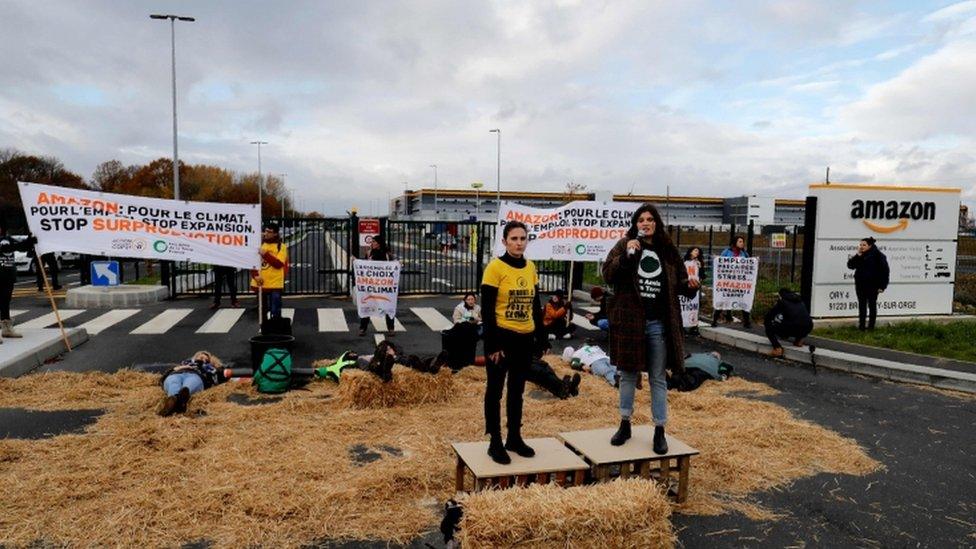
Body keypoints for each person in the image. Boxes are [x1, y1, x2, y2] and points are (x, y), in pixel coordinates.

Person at [602, 203, 700, 454]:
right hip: (630, 322)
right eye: (640, 220)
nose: (645, 223)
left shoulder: (667, 251)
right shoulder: (626, 244)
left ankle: (659, 430)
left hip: (658, 323)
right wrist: (626, 256)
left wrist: (691, 286)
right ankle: (625, 424)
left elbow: (679, 283)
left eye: (649, 219)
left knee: (657, 377)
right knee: (628, 374)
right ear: (635, 224)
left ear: (656, 223)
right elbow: (608, 273)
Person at [481, 220, 549, 464]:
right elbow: (487, 310)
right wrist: (492, 345)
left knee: (517, 391)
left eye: (522, 239)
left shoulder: (530, 267)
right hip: (502, 337)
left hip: (525, 338)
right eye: (514, 239)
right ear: (505, 241)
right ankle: (495, 440)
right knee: (495, 391)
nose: (519, 243)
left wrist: (541, 336)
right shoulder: (495, 268)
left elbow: (535, 303)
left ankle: (514, 437)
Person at [158, 351, 226, 416]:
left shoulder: (209, 367)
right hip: (177, 373)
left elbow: (216, 377)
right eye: (201, 357)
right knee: (172, 381)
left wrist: (215, 369)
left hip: (196, 375)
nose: (203, 359)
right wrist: (182, 367)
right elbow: (169, 372)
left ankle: (176, 402)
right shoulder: (184, 363)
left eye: (206, 359)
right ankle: (175, 400)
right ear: (195, 357)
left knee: (188, 385)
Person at [0, 220, 34, 342]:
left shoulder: (8, 239)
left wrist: (30, 240)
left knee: (5, 301)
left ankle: (6, 328)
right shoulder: (6, 243)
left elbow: (21, 247)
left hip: (8, 275)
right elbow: (6, 248)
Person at [847, 237, 890, 331]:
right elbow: (850, 266)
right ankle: (861, 326)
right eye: (860, 245)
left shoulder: (879, 256)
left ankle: (871, 327)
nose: (861, 247)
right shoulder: (860, 255)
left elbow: (885, 271)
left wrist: (882, 286)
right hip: (860, 284)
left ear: (870, 246)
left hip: (873, 285)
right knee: (862, 305)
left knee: (872, 305)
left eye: (864, 245)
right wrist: (857, 255)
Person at [358, 235, 398, 337]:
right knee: (368, 305)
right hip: (372, 285)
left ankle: (391, 328)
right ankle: (362, 328)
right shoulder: (369, 253)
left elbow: (394, 267)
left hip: (384, 287)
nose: (372, 243)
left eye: (374, 242)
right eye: (372, 242)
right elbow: (365, 266)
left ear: (379, 243)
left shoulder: (388, 255)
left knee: (388, 307)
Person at [712, 235, 751, 328]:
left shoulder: (744, 254)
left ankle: (747, 322)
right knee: (723, 299)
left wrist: (755, 261)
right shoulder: (726, 252)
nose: (742, 243)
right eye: (740, 241)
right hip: (727, 282)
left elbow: (749, 265)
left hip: (740, 282)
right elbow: (720, 263)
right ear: (735, 242)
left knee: (743, 300)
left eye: (742, 241)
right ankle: (714, 320)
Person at [251, 223, 288, 322]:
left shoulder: (281, 247)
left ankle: (276, 326)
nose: (266, 233)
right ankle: (264, 328)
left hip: (275, 282)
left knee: (275, 307)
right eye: (265, 231)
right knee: (262, 309)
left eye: (269, 232)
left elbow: (279, 264)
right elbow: (252, 263)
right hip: (261, 282)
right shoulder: (259, 245)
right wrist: (255, 276)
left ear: (275, 234)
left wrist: (265, 254)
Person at [764, 288, 814, 357]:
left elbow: (770, 316)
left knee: (769, 327)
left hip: (793, 327)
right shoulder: (800, 301)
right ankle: (799, 340)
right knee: (799, 322)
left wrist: (768, 323)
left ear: (781, 295)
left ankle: (777, 348)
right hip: (808, 327)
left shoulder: (782, 302)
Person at [683, 247, 705, 336]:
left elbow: (703, 276)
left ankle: (694, 327)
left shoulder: (699, 263)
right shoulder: (684, 262)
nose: (697, 253)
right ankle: (683, 326)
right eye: (695, 250)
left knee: (695, 307)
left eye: (698, 251)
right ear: (690, 251)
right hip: (685, 287)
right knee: (683, 307)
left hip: (695, 288)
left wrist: (701, 267)